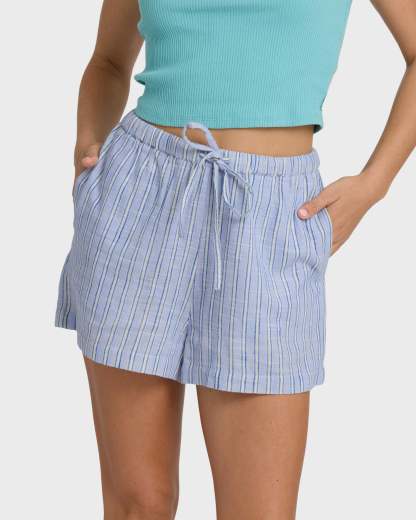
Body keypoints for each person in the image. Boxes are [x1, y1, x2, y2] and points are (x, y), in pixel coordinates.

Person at [55, 1, 416, 518]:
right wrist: (86, 143)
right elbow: (109, 62)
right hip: (140, 193)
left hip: (270, 215)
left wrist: (374, 184)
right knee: (139, 504)